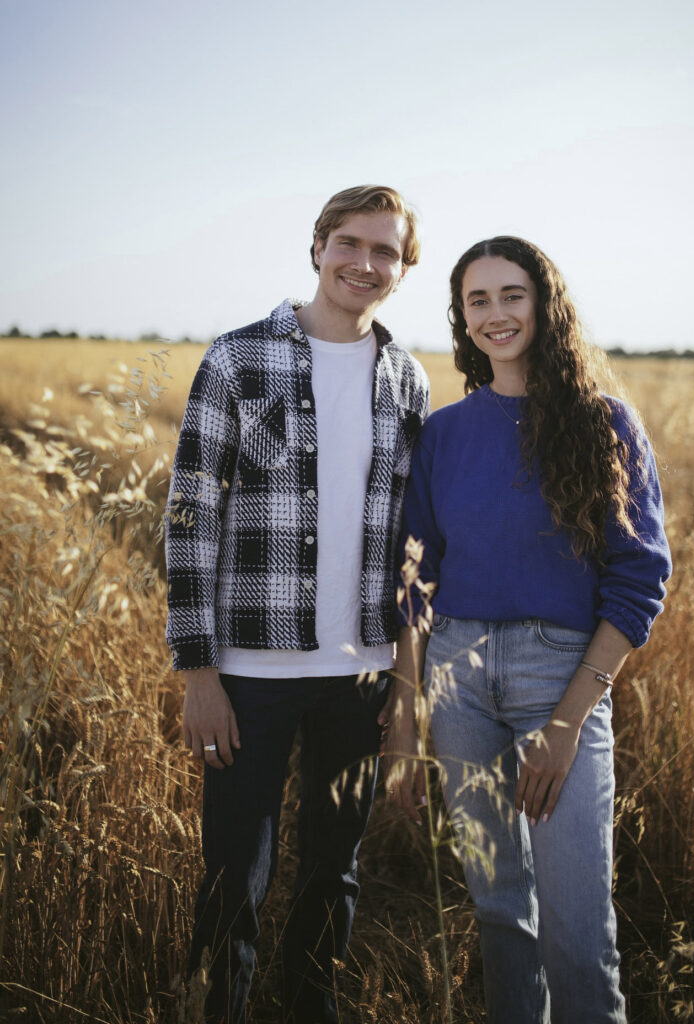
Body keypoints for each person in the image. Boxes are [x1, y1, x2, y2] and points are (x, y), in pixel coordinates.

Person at [383, 236, 672, 1023]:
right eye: (477, 300)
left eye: (511, 294)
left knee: (578, 931)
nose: (495, 314)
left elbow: (641, 575)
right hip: (456, 676)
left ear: (544, 304)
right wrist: (406, 713)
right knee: (501, 914)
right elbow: (415, 578)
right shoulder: (443, 433)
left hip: (560, 676)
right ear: (462, 319)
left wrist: (569, 719)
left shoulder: (603, 421)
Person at [165, 185, 430, 1024]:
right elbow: (187, 514)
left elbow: (414, 553)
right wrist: (198, 672)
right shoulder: (239, 359)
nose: (364, 262)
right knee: (233, 873)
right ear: (317, 247)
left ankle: (312, 1007)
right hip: (248, 675)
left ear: (401, 267)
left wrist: (404, 691)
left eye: (384, 250)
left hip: (360, 674)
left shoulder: (408, 380)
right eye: (349, 242)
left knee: (332, 873)